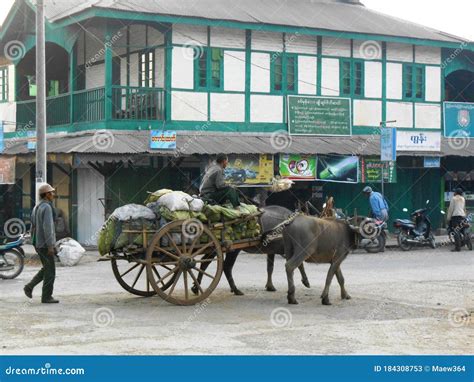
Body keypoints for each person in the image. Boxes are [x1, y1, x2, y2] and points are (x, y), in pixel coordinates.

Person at [24, 183, 59, 304]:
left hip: (37, 242)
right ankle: (46, 296)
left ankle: (29, 286)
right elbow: (47, 227)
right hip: (44, 244)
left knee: (47, 268)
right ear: (47, 194)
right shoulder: (47, 208)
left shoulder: (36, 207)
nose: (53, 195)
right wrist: (50, 245)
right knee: (51, 271)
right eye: (51, 193)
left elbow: (33, 226)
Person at [447, 188, 467, 252]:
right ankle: (464, 242)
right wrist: (465, 216)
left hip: (455, 217)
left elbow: (451, 209)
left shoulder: (453, 198)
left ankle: (457, 248)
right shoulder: (463, 199)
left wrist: (448, 218)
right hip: (462, 217)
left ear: (456, 192)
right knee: (463, 229)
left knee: (456, 232)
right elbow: (464, 208)